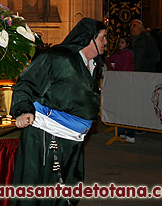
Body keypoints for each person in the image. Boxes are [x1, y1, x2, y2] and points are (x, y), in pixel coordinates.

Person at [11, 18, 107, 205]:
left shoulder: (93, 65)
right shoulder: (58, 57)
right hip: (46, 136)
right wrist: (23, 111)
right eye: (103, 37)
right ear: (90, 38)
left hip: (73, 138)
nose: (106, 42)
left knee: (68, 191)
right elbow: (26, 83)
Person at [106, 37, 136, 143]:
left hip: (125, 84)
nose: (120, 44)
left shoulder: (127, 54)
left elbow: (124, 68)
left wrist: (114, 69)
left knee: (126, 109)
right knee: (119, 108)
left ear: (127, 44)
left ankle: (130, 132)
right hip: (118, 84)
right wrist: (111, 66)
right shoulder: (118, 53)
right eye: (119, 42)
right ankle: (121, 131)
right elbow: (109, 60)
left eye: (122, 42)